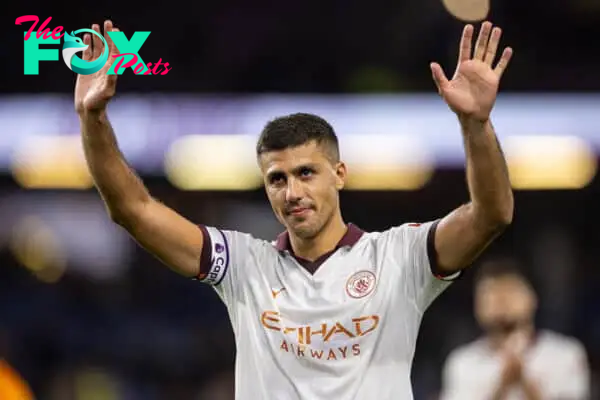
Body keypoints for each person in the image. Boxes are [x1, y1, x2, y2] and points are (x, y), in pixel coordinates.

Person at [76, 20, 514, 399]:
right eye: (277, 179)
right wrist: (92, 118)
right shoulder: (244, 266)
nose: (292, 193)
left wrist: (476, 125)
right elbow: (133, 209)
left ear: (339, 174)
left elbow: (490, 215)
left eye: (306, 173)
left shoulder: (400, 256)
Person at [440, 259, 590, 400]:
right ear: (476, 306)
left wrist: (523, 381)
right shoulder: (462, 363)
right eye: (490, 294)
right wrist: (500, 387)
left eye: (509, 290)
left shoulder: (564, 353)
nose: (501, 300)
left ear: (532, 297)